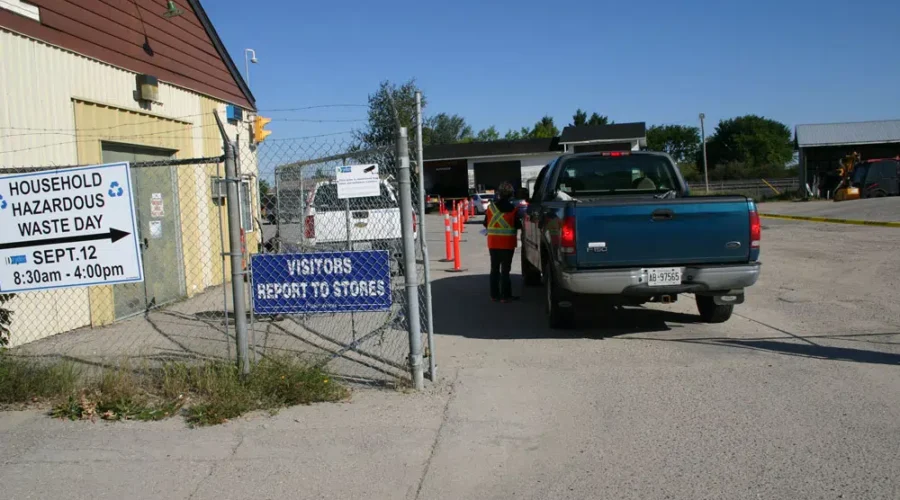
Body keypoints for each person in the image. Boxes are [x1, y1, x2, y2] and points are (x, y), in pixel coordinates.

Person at [482, 181, 522, 303]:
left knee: (494, 269)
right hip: (507, 244)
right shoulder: (513, 209)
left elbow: (485, 224)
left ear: (499, 194)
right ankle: (505, 296)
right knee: (505, 271)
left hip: (493, 243)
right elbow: (518, 225)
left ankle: (494, 295)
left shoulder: (491, 208)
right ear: (511, 195)